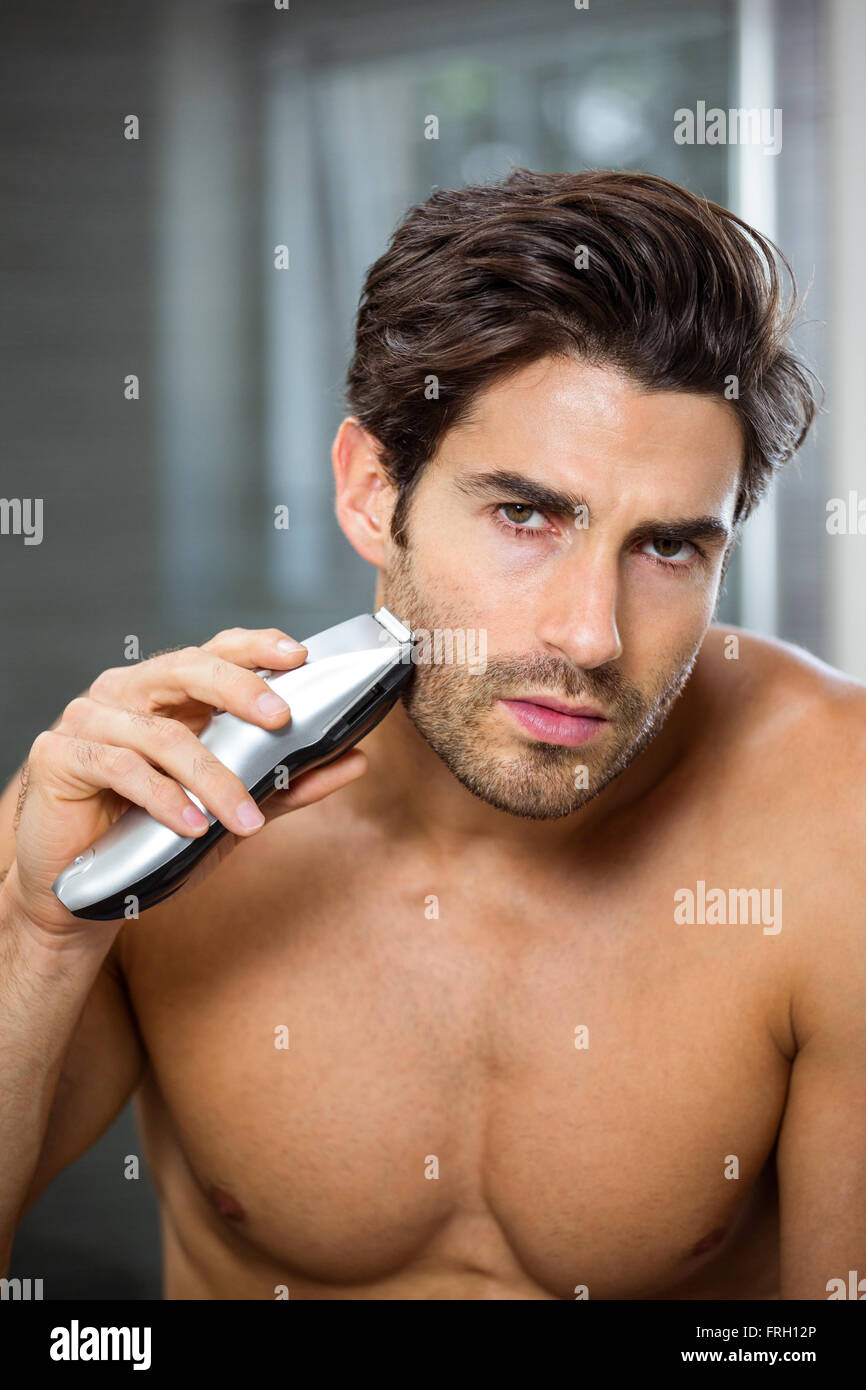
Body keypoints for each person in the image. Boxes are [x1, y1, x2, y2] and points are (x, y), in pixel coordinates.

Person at [2, 170, 863, 1301]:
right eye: (524, 514)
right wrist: (40, 936)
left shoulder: (831, 817)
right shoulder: (167, 804)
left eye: (666, 549)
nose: (590, 635)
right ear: (371, 493)